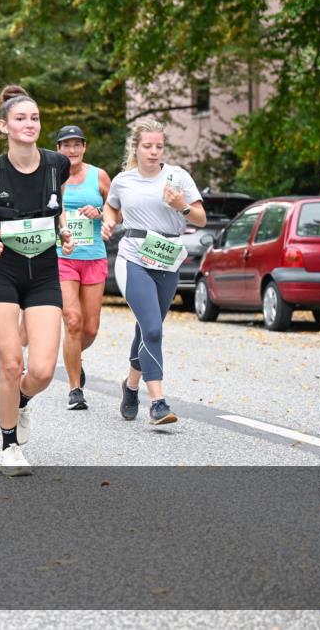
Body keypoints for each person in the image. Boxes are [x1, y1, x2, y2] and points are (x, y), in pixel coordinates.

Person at [0, 85, 74, 477]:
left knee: (42, 371)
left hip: (43, 272)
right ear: (4, 125)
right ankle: (8, 445)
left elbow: (53, 207)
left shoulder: (57, 164)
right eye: (21, 118)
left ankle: (22, 400)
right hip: (2, 272)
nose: (30, 124)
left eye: (35, 118)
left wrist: (62, 231)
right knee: (11, 364)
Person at [101, 118, 206, 426]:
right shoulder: (124, 180)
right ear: (137, 147)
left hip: (168, 258)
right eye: (147, 146)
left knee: (146, 329)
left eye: (159, 146)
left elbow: (199, 219)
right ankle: (158, 403)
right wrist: (109, 221)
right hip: (133, 257)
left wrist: (182, 205)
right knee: (153, 329)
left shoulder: (178, 177)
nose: (153, 152)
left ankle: (130, 385)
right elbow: (112, 207)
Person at [54, 125, 111, 410]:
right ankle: (75, 389)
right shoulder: (53, 177)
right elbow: (47, 210)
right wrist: (60, 227)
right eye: (66, 145)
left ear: (84, 148)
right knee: (72, 321)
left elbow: (116, 208)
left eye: (77, 145)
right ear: (58, 150)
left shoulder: (98, 176)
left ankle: (74, 356)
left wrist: (100, 213)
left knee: (90, 327)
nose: (72, 150)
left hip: (94, 256)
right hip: (63, 256)